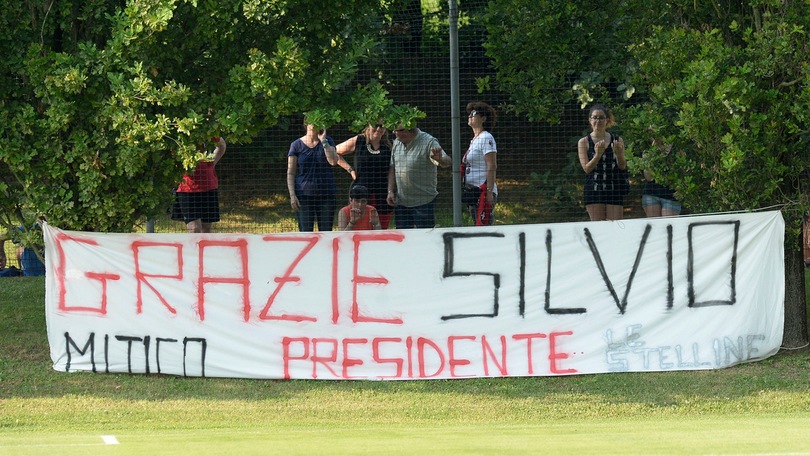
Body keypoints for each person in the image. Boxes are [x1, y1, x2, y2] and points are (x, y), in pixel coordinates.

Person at [387, 123, 451, 229]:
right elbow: (393, 168)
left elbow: (447, 162)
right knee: (404, 240)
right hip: (401, 202)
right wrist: (390, 191)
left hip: (424, 202)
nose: (394, 133)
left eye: (397, 131)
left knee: (425, 239)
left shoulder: (429, 141)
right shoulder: (397, 142)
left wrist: (439, 159)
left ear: (407, 131)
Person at [336, 122, 394, 229]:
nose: (378, 129)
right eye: (375, 125)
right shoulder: (359, 140)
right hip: (360, 194)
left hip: (382, 193)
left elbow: (391, 170)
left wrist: (390, 191)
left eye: (381, 126)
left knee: (380, 228)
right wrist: (350, 170)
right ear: (368, 125)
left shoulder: (389, 145)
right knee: (358, 225)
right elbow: (335, 152)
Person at [577, 104, 627, 221]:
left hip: (614, 188)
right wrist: (598, 154)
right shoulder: (583, 142)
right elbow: (587, 169)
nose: (597, 121)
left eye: (601, 118)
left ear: (607, 120)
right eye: (594, 117)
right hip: (594, 189)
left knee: (615, 228)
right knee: (598, 229)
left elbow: (622, 166)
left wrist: (619, 154)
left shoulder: (617, 140)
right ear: (590, 120)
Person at [287, 121, 340, 231]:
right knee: (305, 232)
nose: (314, 125)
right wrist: (292, 195)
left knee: (326, 232)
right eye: (312, 122)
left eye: (318, 122)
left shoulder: (328, 141)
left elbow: (333, 162)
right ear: (306, 124)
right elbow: (291, 172)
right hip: (304, 195)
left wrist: (324, 141)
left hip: (326, 194)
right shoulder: (296, 145)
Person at [172, 136, 227, 233]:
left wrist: (212, 162)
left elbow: (222, 145)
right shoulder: (177, 135)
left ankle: (205, 248)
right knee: (194, 228)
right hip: (187, 188)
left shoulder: (204, 132)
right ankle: (193, 248)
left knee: (206, 227)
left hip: (208, 185)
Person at [462, 101, 498, 226]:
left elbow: (492, 165)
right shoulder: (475, 140)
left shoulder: (486, 137)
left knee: (484, 228)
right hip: (473, 192)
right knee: (477, 227)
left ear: (483, 118)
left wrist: (489, 192)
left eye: (474, 113)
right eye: (469, 113)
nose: (470, 116)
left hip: (483, 192)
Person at [641, 138, 681, 218]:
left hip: (672, 194)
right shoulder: (648, 150)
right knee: (655, 227)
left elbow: (681, 172)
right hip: (651, 193)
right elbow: (649, 178)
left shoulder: (677, 148)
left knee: (668, 225)